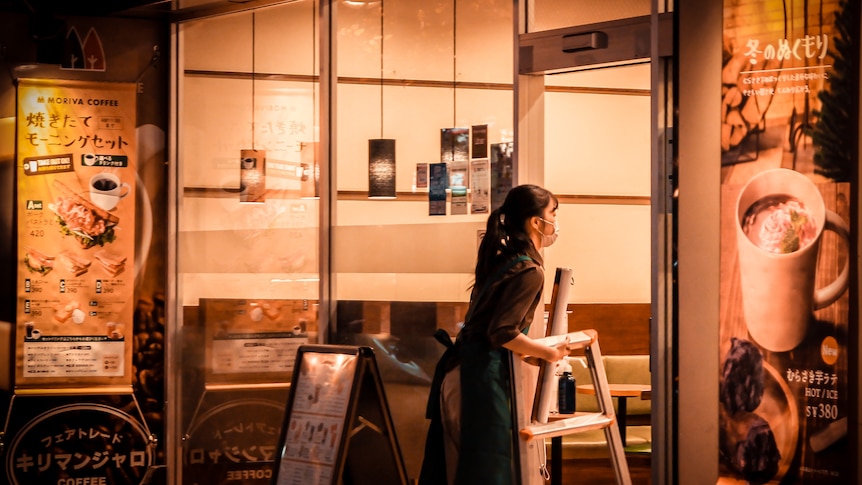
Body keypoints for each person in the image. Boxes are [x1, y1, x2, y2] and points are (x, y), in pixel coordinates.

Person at [420, 184, 569, 485]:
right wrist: (549, 353)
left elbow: (490, 330)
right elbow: (501, 332)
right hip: (479, 383)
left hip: (460, 374)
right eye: (553, 213)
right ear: (536, 222)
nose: (556, 221)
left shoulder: (503, 261)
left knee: (455, 470)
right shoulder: (530, 271)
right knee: (487, 472)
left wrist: (530, 357)